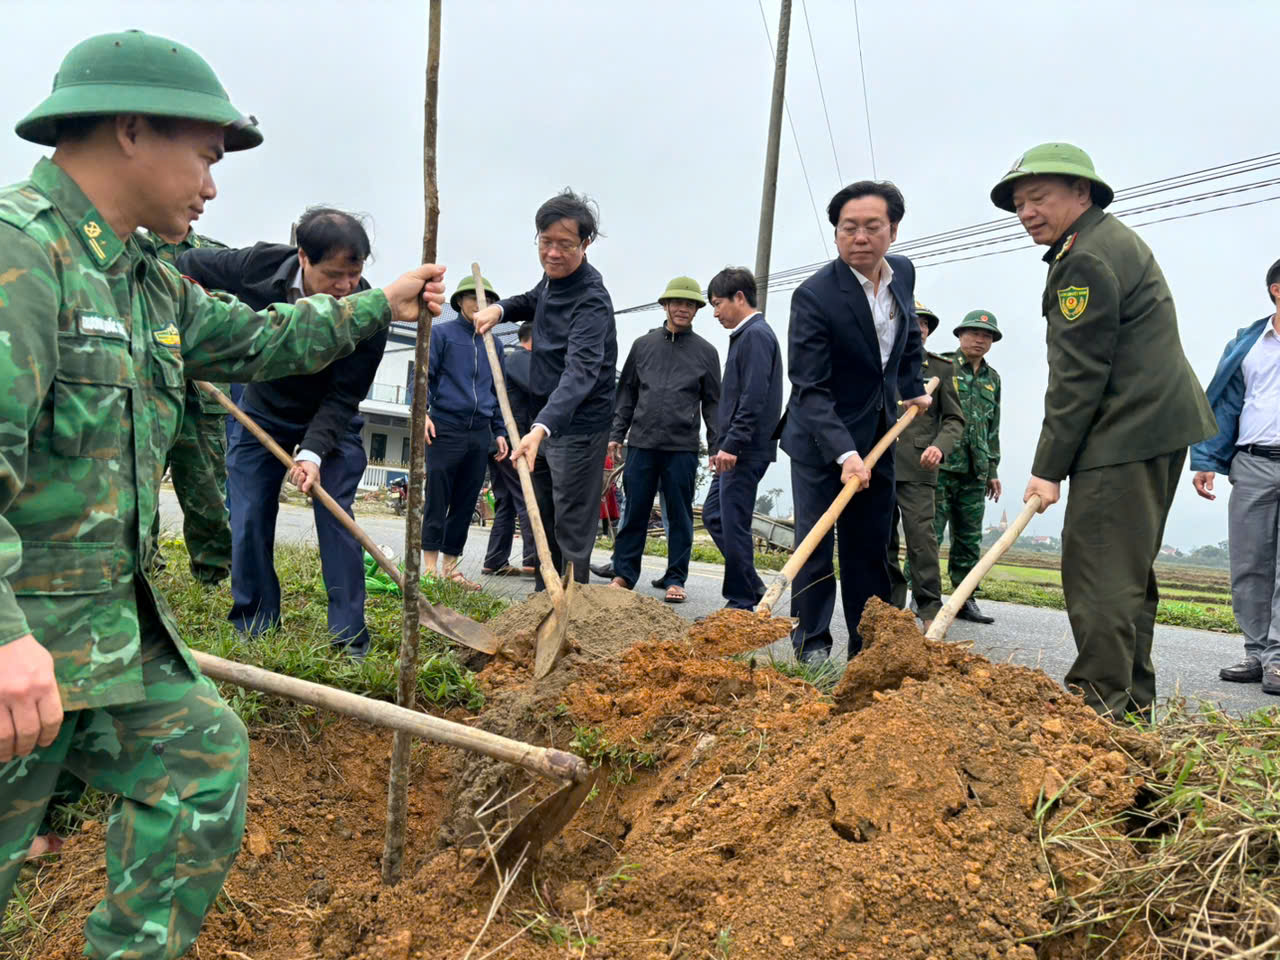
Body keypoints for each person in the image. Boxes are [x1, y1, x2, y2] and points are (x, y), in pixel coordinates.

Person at [0, 28, 445, 958]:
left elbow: (265, 340)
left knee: (200, 766)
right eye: (204, 156)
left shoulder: (147, 280)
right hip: (19, 646)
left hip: (99, 643)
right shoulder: (21, 259)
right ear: (130, 130)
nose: (212, 184)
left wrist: (381, 302)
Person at [992, 142, 1216, 720]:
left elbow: (1077, 377)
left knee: (1098, 576)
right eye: (1019, 204)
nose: (1027, 213)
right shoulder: (1106, 242)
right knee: (1125, 579)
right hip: (1150, 430)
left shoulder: (1084, 260)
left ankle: (1100, 710)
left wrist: (1047, 467)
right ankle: (1129, 710)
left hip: (1123, 433)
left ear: (1080, 193)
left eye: (1038, 198)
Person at [180, 207, 381, 658]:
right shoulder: (260, 266)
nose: (347, 287)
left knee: (338, 517)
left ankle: (349, 639)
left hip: (330, 418)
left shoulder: (369, 310)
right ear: (303, 258)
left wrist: (312, 452)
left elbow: (345, 395)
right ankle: (255, 625)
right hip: (262, 410)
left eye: (355, 274)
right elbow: (188, 266)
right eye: (335, 275)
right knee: (249, 513)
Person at [779, 181, 932, 663]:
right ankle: (813, 646)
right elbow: (809, 388)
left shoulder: (902, 273)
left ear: (893, 230)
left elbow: (906, 337)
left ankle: (867, 650)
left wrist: (910, 387)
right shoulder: (815, 296)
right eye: (849, 228)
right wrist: (845, 455)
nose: (860, 237)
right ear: (837, 233)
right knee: (817, 543)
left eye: (872, 227)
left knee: (870, 548)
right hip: (820, 438)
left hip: (880, 433)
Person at [474, 190, 618, 591]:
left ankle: (572, 612)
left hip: (576, 425)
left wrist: (541, 429)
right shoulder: (552, 281)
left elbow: (581, 372)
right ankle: (544, 603)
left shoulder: (592, 301)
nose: (553, 253)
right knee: (541, 516)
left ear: (585, 244)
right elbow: (533, 299)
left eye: (565, 245)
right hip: (541, 420)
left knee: (571, 522)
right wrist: (498, 310)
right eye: (545, 242)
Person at [1192, 258, 1280, 693]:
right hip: (1253, 462)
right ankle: (1256, 652)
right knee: (1249, 562)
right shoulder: (1248, 344)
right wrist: (1206, 457)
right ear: (1277, 290)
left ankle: (1279, 659)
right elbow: (1224, 403)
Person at [605, 276, 721, 603]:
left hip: (682, 447)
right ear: (666, 305)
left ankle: (676, 578)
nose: (683, 309)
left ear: (697, 310)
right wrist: (616, 434)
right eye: (678, 303)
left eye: (690, 304)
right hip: (641, 442)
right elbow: (626, 392)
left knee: (680, 514)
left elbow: (713, 404)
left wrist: (716, 446)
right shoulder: (643, 346)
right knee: (635, 511)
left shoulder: (706, 353)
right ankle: (624, 573)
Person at [138, 227, 234, 585]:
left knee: (206, 492)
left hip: (202, 397)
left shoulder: (215, 255)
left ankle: (212, 574)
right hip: (148, 388)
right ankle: (145, 569)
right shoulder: (135, 249)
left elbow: (225, 319)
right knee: (140, 485)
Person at [702, 267, 784, 610]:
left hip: (745, 449)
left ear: (740, 297)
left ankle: (739, 601)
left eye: (718, 304)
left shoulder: (756, 336)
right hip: (733, 447)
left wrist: (732, 444)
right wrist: (721, 445)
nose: (716, 312)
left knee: (733, 521)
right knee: (714, 515)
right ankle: (751, 585)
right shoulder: (746, 335)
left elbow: (753, 397)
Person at [421, 274, 509, 588]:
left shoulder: (495, 344)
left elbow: (498, 391)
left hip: (479, 432)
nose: (477, 304)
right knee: (437, 495)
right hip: (445, 426)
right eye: (472, 297)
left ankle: (450, 567)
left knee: (466, 498)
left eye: (485, 299)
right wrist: (422, 414)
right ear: (460, 301)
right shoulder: (442, 335)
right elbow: (423, 377)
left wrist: (499, 430)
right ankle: (430, 568)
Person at [887, 301, 965, 631]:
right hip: (879, 464)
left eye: (924, 324)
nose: (918, 328)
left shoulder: (941, 368)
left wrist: (939, 447)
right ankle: (890, 606)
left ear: (928, 331)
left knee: (922, 539)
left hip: (919, 467)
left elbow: (954, 420)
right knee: (882, 540)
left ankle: (929, 605)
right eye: (911, 322)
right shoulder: (880, 362)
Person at [935, 309, 1003, 624]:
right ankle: (924, 598)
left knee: (968, 540)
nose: (980, 339)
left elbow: (993, 429)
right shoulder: (942, 366)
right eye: (974, 333)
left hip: (975, 472)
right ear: (960, 336)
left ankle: (965, 599)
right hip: (941, 466)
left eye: (986, 335)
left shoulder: (993, 380)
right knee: (929, 536)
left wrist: (992, 470)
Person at [482, 321, 538, 576]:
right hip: (511, 441)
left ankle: (495, 560)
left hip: (500, 439)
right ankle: (533, 558)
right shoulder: (520, 360)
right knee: (527, 496)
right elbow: (540, 389)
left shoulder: (512, 361)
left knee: (506, 499)